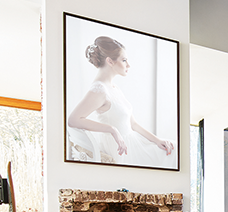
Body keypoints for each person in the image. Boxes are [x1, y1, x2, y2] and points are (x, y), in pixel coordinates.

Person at [67, 36, 175, 168]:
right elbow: (73, 120)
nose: (128, 65)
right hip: (121, 148)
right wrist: (112, 129)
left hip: (132, 141)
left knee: (173, 148)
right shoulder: (99, 90)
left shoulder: (114, 88)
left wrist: (158, 140)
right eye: (124, 60)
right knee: (173, 154)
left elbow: (133, 124)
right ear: (110, 61)